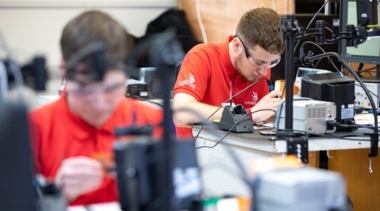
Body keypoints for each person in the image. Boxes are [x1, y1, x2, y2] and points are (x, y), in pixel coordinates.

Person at [29, 11, 162, 206]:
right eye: (85, 89)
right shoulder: (32, 130)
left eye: (112, 88)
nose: (99, 104)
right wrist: (53, 196)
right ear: (63, 69)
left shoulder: (153, 122)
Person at [172, 7, 284, 138]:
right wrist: (249, 115)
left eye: (271, 62)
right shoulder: (202, 57)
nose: (264, 71)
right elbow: (181, 113)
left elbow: (259, 120)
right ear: (237, 46)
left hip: (245, 153)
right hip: (199, 154)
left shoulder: (261, 68)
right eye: (258, 62)